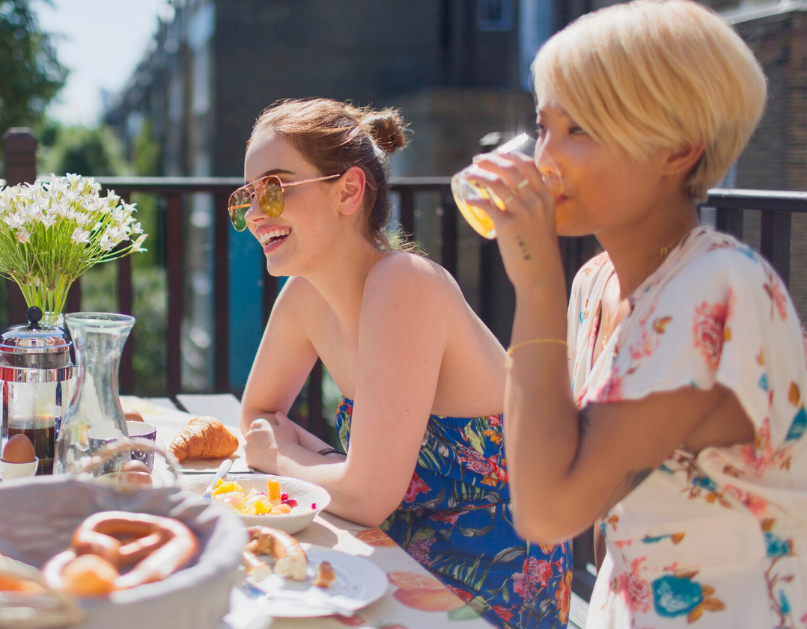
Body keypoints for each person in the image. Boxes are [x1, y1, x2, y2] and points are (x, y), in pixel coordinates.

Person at [460, 1, 805, 626]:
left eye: (580, 131)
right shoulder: (595, 283)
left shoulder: (717, 288)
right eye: (545, 128)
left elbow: (547, 512)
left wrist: (535, 285)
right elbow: (583, 487)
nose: (545, 160)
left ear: (677, 150)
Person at [237, 98, 571, 628]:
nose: (256, 212)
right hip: (390, 555)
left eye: (275, 188)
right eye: (248, 196)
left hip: (485, 586)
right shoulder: (305, 295)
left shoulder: (405, 284)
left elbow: (366, 495)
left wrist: (281, 463)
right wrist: (332, 470)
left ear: (347, 190)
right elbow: (258, 414)